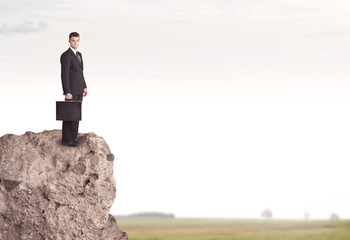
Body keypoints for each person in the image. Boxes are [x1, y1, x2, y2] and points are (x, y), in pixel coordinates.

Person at [60, 32, 88, 147]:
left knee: (76, 115)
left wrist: (84, 86)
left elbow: (80, 73)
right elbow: (64, 74)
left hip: (79, 90)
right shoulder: (66, 55)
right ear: (69, 41)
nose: (75, 43)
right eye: (73, 40)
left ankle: (73, 137)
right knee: (68, 115)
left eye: (77, 40)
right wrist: (67, 91)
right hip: (71, 91)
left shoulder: (79, 54)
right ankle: (67, 140)